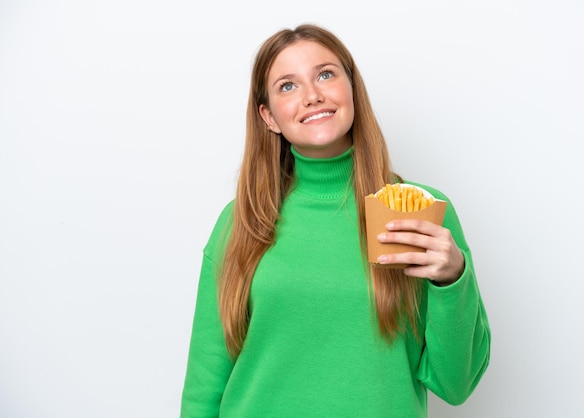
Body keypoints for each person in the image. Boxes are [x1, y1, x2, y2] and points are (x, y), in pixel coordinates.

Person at [181, 23, 490, 418]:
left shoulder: (419, 209)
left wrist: (453, 279)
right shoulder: (242, 221)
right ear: (269, 116)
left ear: (352, 89)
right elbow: (205, 383)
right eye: (287, 86)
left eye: (325, 74)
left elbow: (456, 385)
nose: (312, 96)